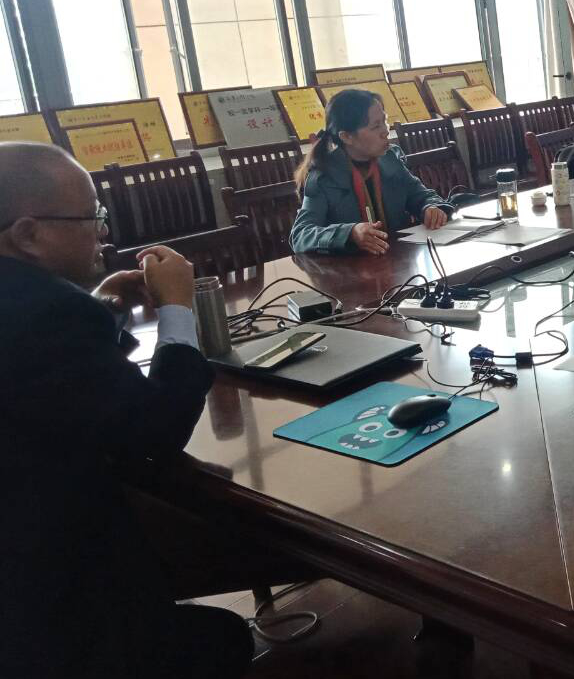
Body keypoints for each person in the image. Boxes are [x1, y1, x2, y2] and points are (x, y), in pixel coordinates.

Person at [0, 142, 252, 678]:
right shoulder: (49, 312)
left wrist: (98, 307)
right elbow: (153, 434)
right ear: (27, 234)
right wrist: (178, 311)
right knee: (225, 638)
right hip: (51, 608)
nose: (104, 232)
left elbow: (46, 373)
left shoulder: (30, 304)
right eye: (92, 217)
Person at [291, 88, 453, 255]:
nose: (385, 131)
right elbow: (301, 235)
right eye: (376, 126)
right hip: (352, 266)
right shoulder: (324, 176)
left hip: (398, 259)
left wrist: (430, 207)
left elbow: (421, 196)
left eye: (384, 121)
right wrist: (350, 233)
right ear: (347, 137)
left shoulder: (390, 159)